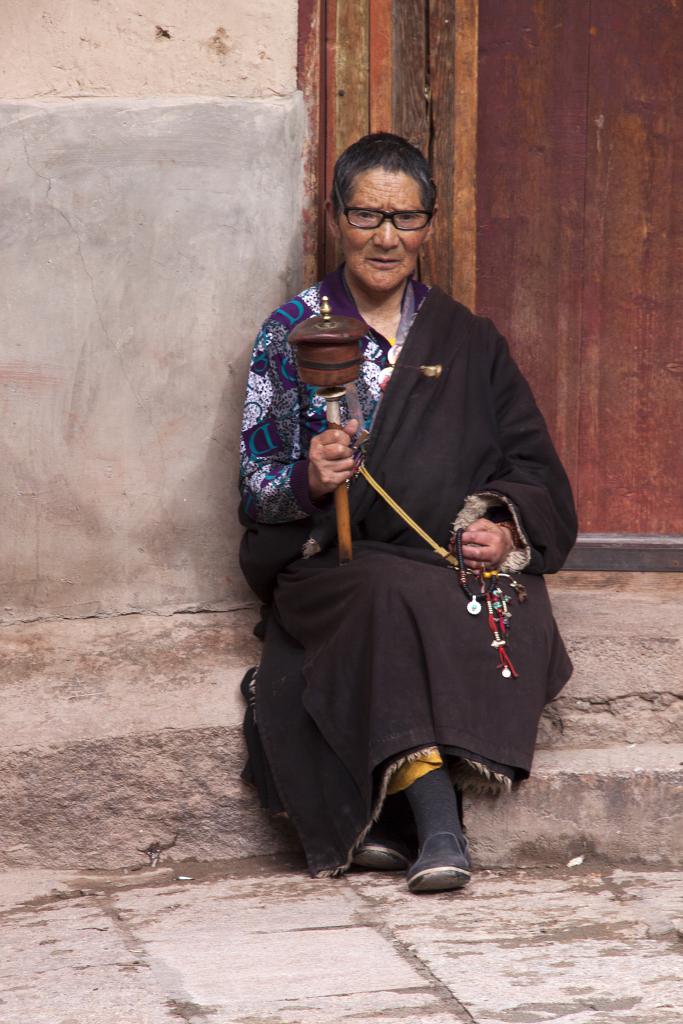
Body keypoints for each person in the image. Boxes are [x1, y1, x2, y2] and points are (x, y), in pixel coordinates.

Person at [238, 132, 577, 893]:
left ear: (428, 225)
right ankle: (438, 822)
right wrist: (308, 481)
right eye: (365, 215)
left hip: (446, 555)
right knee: (388, 599)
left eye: (405, 218)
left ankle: (384, 817)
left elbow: (532, 468)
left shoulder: (469, 340)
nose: (385, 237)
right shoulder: (292, 334)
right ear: (335, 219)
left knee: (471, 598)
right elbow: (254, 485)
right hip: (335, 563)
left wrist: (501, 523)